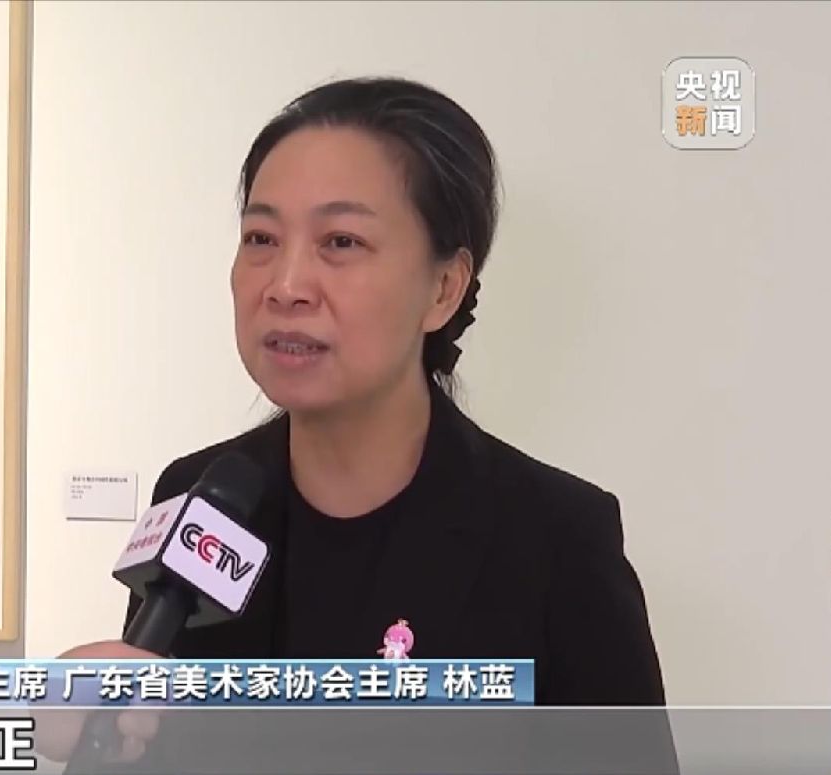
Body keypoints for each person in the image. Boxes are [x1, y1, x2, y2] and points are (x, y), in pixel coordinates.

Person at [38, 76, 668, 765]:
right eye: (261, 237)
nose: (285, 286)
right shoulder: (199, 499)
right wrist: (93, 744)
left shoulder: (555, 539)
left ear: (444, 288)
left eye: (340, 241)